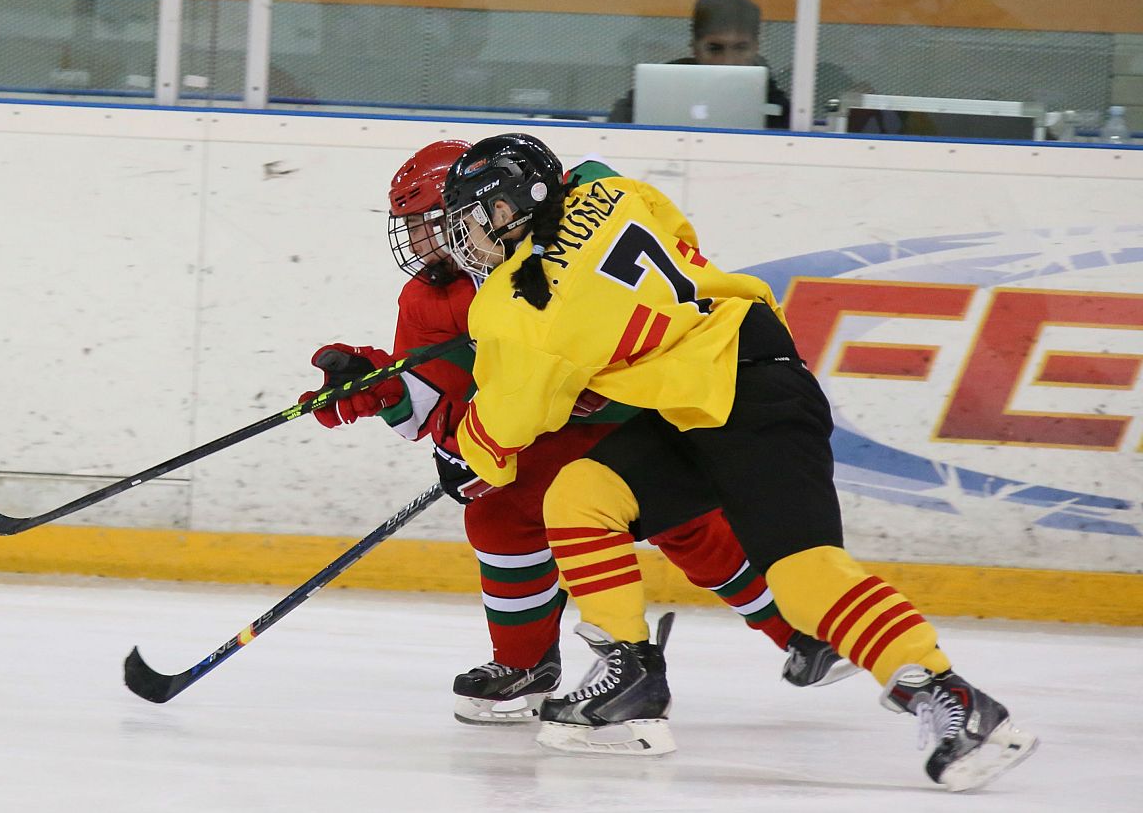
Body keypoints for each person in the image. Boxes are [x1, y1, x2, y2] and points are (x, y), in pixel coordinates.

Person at [434, 132, 1038, 789]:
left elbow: (508, 424)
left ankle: (954, 698)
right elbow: (675, 251)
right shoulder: (617, 193)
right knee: (581, 493)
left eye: (476, 217)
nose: (469, 239)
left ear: (517, 205)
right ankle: (627, 682)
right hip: (703, 393)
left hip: (746, 396)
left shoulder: (513, 300)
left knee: (806, 577)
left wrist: (466, 451)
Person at [299, 140, 854, 729]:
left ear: (486, 212)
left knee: (683, 520)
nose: (416, 246)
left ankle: (797, 628)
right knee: (498, 510)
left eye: (428, 227)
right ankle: (526, 664)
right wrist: (381, 389)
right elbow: (444, 406)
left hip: (641, 400)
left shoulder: (551, 247)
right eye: (408, 230)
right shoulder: (430, 298)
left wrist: (483, 441)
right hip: (547, 428)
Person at [608, 0, 790, 130]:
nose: (728, 61)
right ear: (694, 48)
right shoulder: (666, 84)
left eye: (741, 48)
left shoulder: (772, 100)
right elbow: (617, 128)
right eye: (714, 49)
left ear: (756, 47)